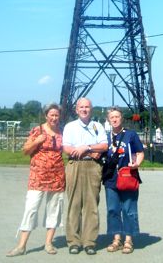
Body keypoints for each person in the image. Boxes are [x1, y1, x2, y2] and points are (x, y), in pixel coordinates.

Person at [6, 103, 65, 257]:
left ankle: (49, 243)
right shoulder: (37, 131)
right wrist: (37, 141)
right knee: (31, 208)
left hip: (57, 176)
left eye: (56, 115)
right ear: (46, 116)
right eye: (51, 115)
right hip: (38, 176)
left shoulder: (61, 132)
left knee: (54, 209)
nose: (54, 118)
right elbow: (25, 150)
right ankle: (21, 245)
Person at [62, 97, 108, 255]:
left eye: (87, 107)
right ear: (76, 110)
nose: (84, 109)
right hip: (75, 165)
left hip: (92, 167)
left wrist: (86, 147)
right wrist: (88, 150)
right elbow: (67, 148)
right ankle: (74, 241)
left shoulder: (97, 126)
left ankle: (89, 242)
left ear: (91, 109)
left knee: (91, 205)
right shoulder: (69, 127)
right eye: (81, 107)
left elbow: (104, 145)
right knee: (74, 204)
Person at [102, 107, 144, 255]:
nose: (114, 119)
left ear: (122, 118)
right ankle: (116, 239)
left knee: (128, 209)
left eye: (117, 116)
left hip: (127, 177)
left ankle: (128, 240)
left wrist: (137, 164)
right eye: (112, 117)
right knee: (112, 209)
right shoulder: (105, 137)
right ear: (108, 120)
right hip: (111, 179)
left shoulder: (130, 135)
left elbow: (139, 152)